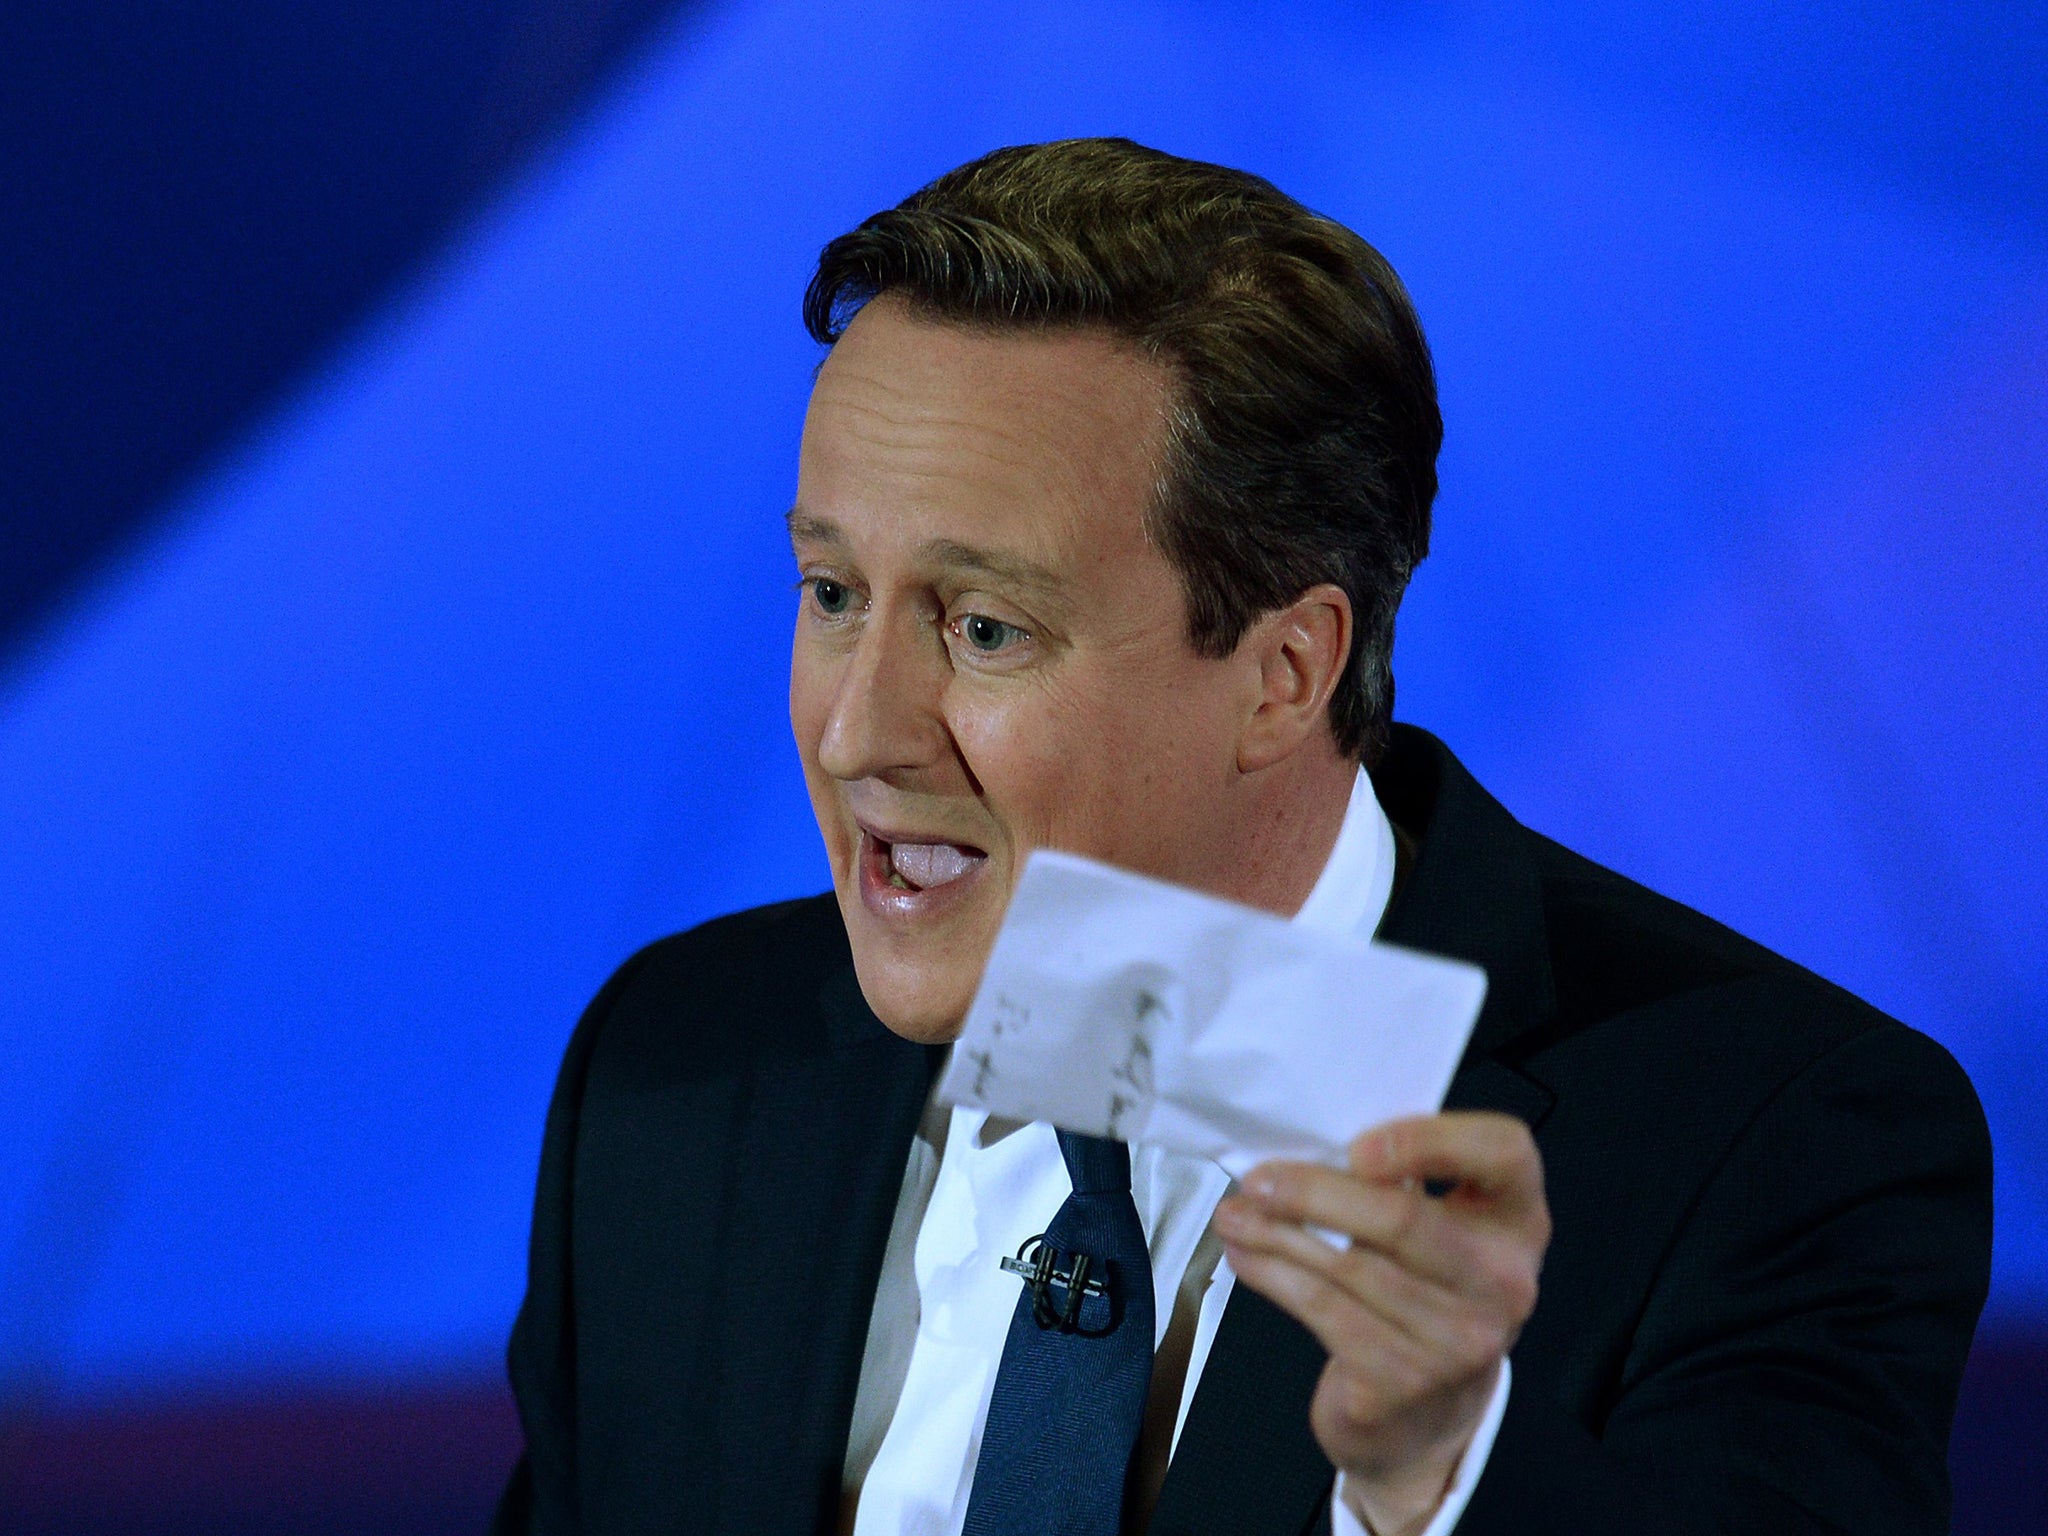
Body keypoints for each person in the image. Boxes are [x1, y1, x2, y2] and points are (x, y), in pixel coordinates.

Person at [490, 138, 1990, 1536]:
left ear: (1283, 674)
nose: (855, 731)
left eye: (985, 625)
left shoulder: (1772, 1143)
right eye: (832, 594)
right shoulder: (679, 1072)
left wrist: (1437, 1475)